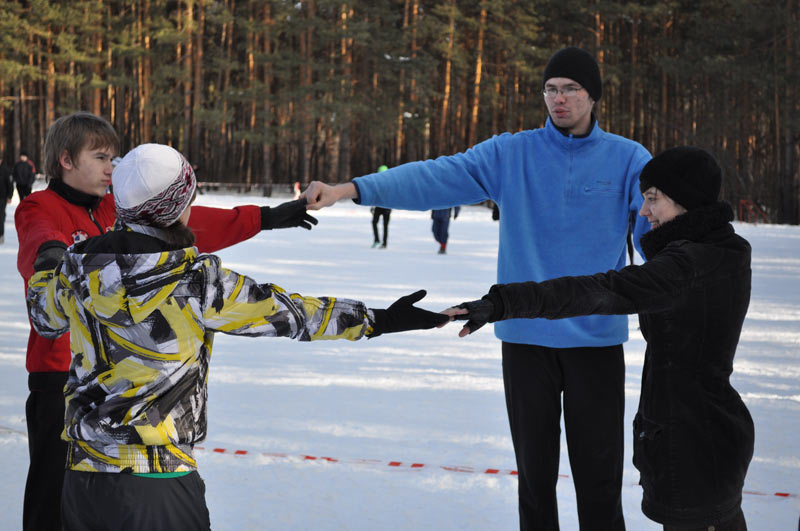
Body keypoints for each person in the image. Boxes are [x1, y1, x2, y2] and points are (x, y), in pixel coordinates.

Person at [304, 46, 651, 529]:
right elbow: (436, 176)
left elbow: (656, 227)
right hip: (526, 341)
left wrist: (681, 276)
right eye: (551, 89)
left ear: (593, 96)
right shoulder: (513, 153)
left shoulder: (629, 158)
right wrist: (350, 189)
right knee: (534, 481)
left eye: (571, 89)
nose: (559, 99)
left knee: (599, 481)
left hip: (596, 340)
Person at [25, 142, 448, 530]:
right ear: (178, 204)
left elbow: (45, 317)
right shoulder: (197, 281)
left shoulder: (77, 273)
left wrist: (49, 261)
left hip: (82, 482)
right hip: (159, 484)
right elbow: (292, 313)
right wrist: (377, 319)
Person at [14, 111, 317, 531]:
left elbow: (196, 221)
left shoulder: (117, 208)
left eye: (114, 159)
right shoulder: (39, 205)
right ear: (66, 159)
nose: (110, 168)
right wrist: (51, 253)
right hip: (61, 383)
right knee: (52, 500)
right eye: (100, 157)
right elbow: (38, 242)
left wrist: (266, 217)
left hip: (123, 386)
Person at [446, 146, 753, 531]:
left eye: (652, 199)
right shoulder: (718, 249)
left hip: (694, 447)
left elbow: (600, 290)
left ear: (685, 200)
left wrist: (503, 302)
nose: (643, 212)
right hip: (697, 435)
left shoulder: (687, 266)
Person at [371, 165, 391, 248]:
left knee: (385, 225)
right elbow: (374, 195)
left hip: (386, 207)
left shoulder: (390, 183)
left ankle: (384, 243)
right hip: (378, 206)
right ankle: (377, 240)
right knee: (374, 222)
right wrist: (372, 206)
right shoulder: (377, 182)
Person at [0, 154, 12, 244]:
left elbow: (10, 184)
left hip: (2, 197)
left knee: (0, 216)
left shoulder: (6, 170)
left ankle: (1, 234)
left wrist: (9, 196)